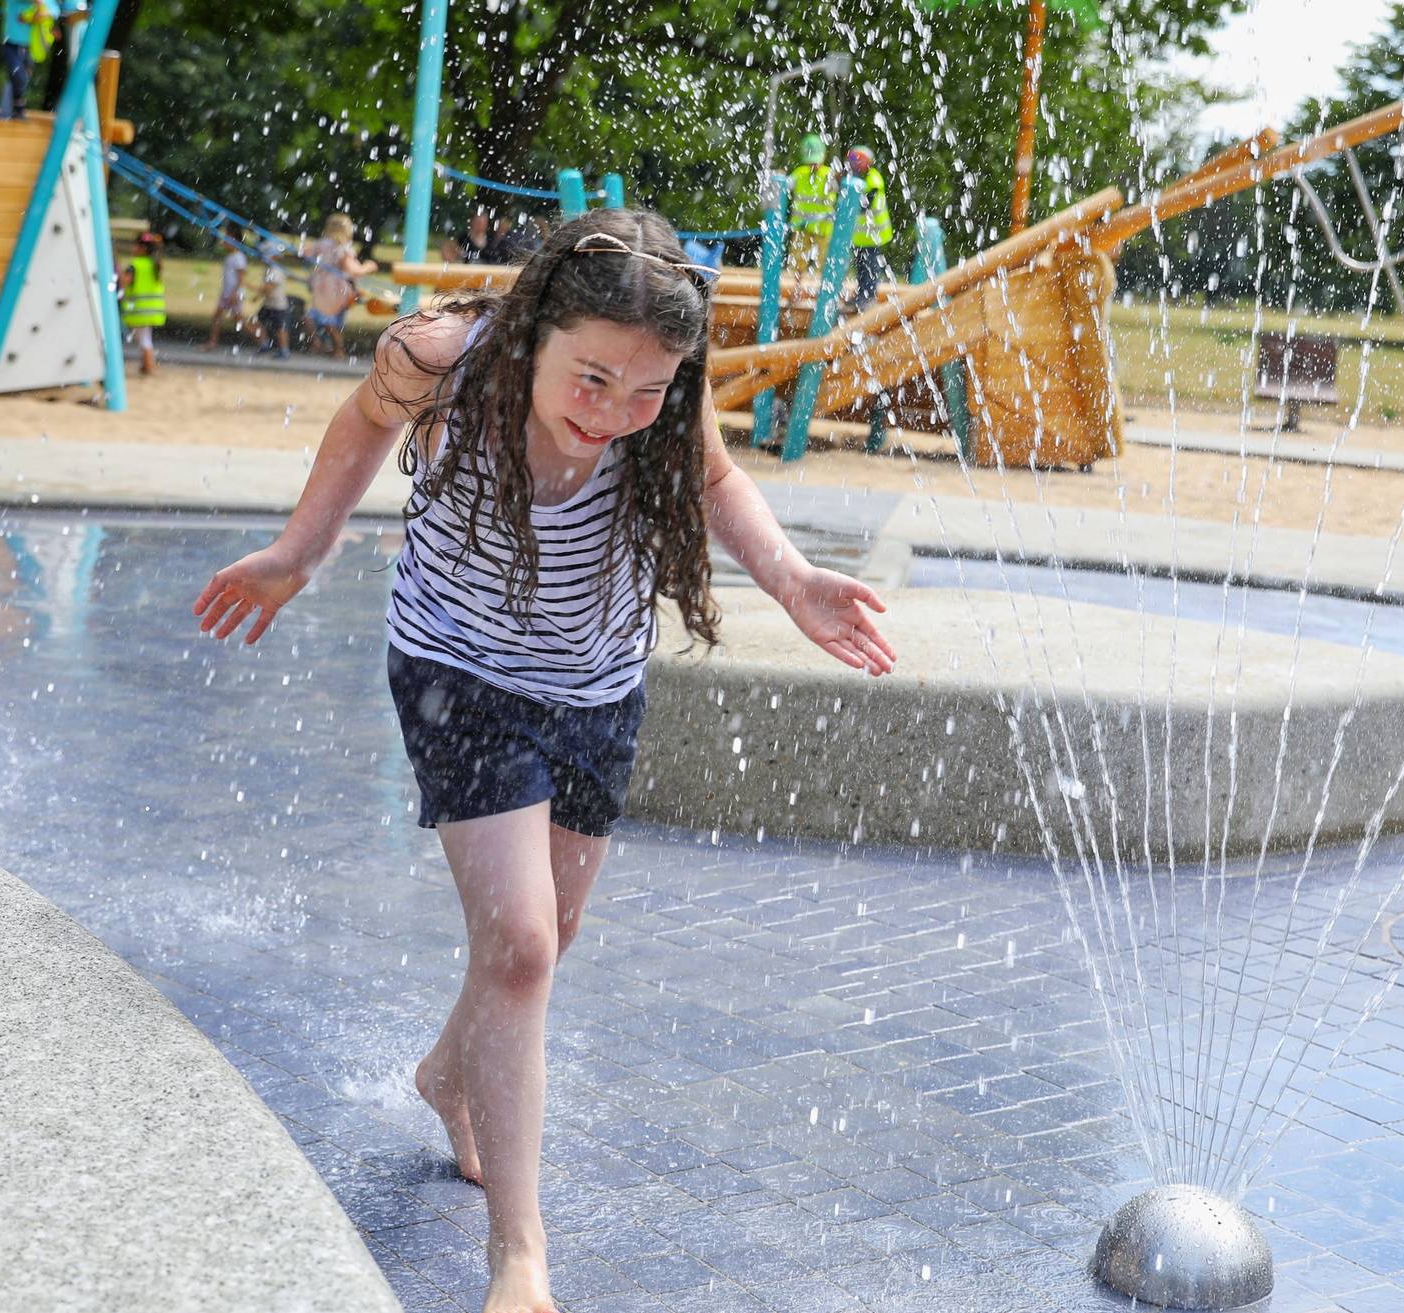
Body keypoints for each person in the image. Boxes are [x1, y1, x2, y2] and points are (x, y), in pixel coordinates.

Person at [189, 209, 896, 1313]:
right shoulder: (442, 361)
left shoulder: (661, 397)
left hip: (596, 679)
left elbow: (714, 483)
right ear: (536, 328)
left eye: (647, 389)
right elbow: (360, 422)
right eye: (592, 378)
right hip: (459, 665)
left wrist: (793, 577)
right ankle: (519, 1255)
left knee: (547, 936)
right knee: (519, 946)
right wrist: (302, 547)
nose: (614, 413)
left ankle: (444, 1073)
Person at [304, 214, 379, 358]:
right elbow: (353, 270)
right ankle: (338, 350)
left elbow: (307, 254)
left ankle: (319, 343)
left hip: (322, 288)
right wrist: (369, 267)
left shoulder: (321, 244)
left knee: (313, 318)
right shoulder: (344, 249)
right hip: (338, 290)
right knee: (330, 322)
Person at [844, 145, 894, 311]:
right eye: (851, 158)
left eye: (857, 159)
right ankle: (861, 294)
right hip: (861, 235)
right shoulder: (856, 179)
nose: (853, 163)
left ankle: (868, 296)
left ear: (868, 161)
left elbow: (864, 205)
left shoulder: (873, 179)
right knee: (860, 266)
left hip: (873, 234)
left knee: (870, 266)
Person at [0, 0, 57, 120]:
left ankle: (13, 111)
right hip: (11, 45)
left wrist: (40, 11)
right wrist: (39, 10)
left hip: (29, 47)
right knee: (18, 77)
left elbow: (53, 11)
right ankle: (15, 108)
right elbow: (24, 18)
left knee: (18, 80)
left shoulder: (45, 2)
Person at [785, 133, 835, 277]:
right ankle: (797, 290)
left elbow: (838, 189)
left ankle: (824, 293)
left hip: (823, 227)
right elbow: (784, 187)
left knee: (825, 262)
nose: (814, 165)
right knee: (798, 261)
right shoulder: (799, 173)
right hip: (801, 226)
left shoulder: (829, 174)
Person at [117, 231, 166, 377]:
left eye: (135, 245)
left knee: (144, 340)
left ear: (142, 248)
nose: (133, 248)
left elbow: (124, 282)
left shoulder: (135, 265)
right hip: (151, 310)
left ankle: (149, 366)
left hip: (138, 310)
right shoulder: (154, 265)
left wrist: (119, 275)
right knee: (145, 339)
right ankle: (147, 365)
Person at [203, 225, 252, 351]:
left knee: (239, 321)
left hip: (234, 294)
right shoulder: (230, 257)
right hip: (227, 293)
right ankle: (212, 342)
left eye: (227, 239)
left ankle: (262, 339)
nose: (223, 241)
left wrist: (235, 294)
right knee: (217, 316)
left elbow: (241, 278)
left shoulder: (239, 257)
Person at [251, 246, 291, 360]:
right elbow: (266, 289)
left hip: (278, 305)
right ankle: (264, 344)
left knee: (280, 329)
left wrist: (251, 287)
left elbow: (268, 288)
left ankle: (284, 351)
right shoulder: (269, 269)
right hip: (269, 304)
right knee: (257, 323)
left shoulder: (276, 271)